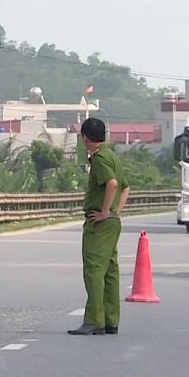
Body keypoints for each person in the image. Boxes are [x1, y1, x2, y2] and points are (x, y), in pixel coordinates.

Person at [69, 117, 130, 336]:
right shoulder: (112, 156)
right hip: (113, 222)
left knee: (94, 269)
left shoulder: (100, 159)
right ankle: (110, 319)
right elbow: (125, 188)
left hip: (100, 223)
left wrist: (104, 212)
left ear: (85, 137)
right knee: (110, 271)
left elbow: (113, 184)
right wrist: (115, 212)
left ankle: (95, 320)